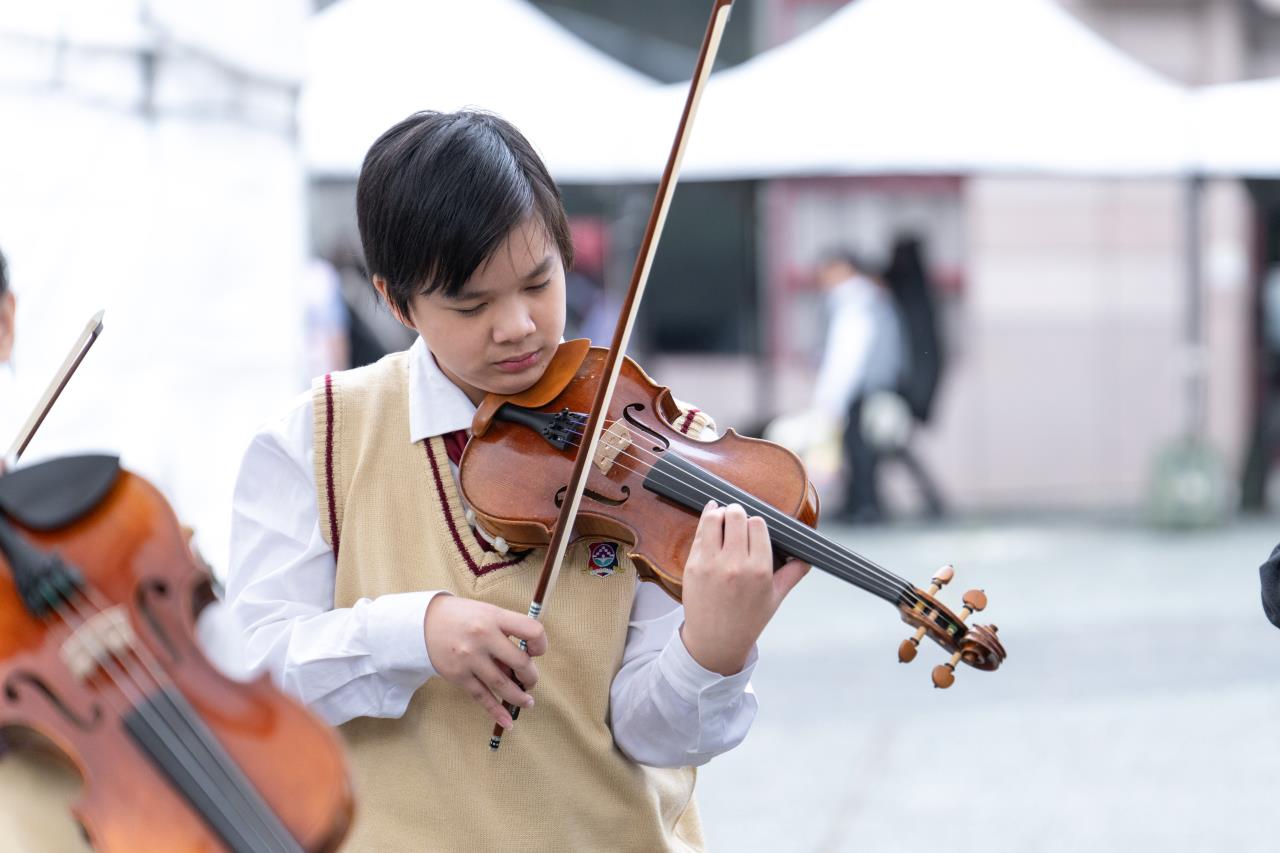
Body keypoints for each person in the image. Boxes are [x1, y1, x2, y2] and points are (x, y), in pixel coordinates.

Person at [225, 110, 809, 852]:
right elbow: (250, 676)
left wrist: (713, 650)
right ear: (396, 300)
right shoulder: (315, 439)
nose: (518, 327)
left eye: (539, 282)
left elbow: (655, 737)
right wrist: (413, 631)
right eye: (471, 305)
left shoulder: (662, 444)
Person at [811, 249, 905, 523]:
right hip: (873, 384)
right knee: (861, 449)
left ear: (843, 268)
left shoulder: (853, 298)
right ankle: (861, 504)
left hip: (863, 387)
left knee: (859, 448)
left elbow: (848, 353)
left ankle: (864, 505)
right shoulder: (869, 296)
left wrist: (831, 396)